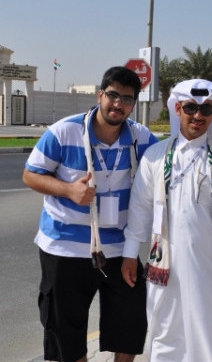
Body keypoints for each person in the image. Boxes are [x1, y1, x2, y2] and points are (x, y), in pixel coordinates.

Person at [22, 66, 158, 362]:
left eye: (127, 99)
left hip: (121, 249)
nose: (118, 104)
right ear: (100, 95)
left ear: (134, 104)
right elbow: (31, 175)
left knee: (131, 324)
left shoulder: (141, 138)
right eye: (112, 96)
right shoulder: (64, 132)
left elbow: (170, 162)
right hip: (65, 247)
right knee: (64, 331)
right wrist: (68, 190)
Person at [121, 79, 212, 362]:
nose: (198, 115)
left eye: (206, 109)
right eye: (191, 107)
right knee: (167, 334)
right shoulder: (155, 157)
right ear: (178, 109)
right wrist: (130, 255)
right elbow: (140, 210)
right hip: (165, 269)